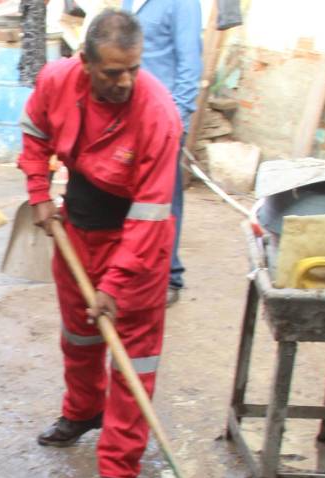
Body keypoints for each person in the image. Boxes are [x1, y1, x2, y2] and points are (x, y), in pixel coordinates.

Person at [19, 9, 180, 478]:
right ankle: (83, 411)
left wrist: (115, 282)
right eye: (112, 72)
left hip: (136, 242)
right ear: (84, 63)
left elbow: (151, 215)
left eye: (133, 68)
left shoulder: (157, 113)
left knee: (132, 360)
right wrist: (38, 192)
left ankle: (119, 469)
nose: (125, 81)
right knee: (80, 337)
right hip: (76, 230)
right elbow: (34, 132)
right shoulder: (56, 81)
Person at [122, 0, 201, 305]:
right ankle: (134, 271)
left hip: (164, 120)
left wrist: (177, 121)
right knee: (135, 198)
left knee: (165, 200)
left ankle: (169, 276)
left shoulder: (182, 4)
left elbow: (189, 64)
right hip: (130, 116)